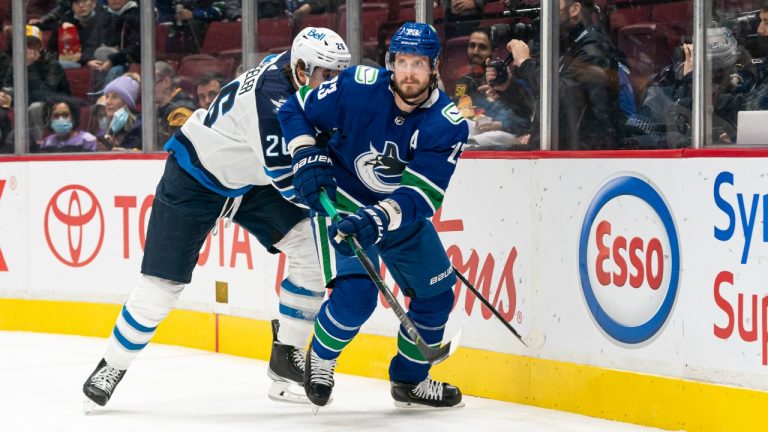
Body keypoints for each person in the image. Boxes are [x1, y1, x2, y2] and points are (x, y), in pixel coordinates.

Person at [81, 26, 351, 410]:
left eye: (340, 72)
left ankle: (286, 355)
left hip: (247, 179)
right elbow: (293, 184)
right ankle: (112, 365)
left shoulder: (296, 76)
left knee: (308, 245)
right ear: (303, 67)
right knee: (161, 286)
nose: (334, 82)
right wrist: (344, 207)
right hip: (194, 177)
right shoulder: (271, 100)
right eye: (327, 73)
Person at [278, 22, 468, 409]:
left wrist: (378, 219)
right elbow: (294, 108)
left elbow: (422, 194)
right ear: (390, 63)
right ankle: (322, 359)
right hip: (342, 203)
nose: (409, 72)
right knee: (357, 294)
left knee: (435, 297)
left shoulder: (447, 123)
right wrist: (305, 154)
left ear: (435, 67)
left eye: (419, 63)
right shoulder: (358, 86)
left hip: (397, 215)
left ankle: (410, 381)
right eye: (402, 62)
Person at [504, 0, 630, 150]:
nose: (544, 15)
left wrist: (525, 63)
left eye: (552, 7)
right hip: (564, 152)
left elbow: (564, 97)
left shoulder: (593, 47)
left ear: (574, 9)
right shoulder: (564, 45)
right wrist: (508, 87)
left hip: (586, 158)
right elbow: (539, 105)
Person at [95, 73, 142, 150]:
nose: (108, 102)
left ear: (126, 103)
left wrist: (128, 153)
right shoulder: (104, 131)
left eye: (115, 97)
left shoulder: (140, 129)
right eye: (107, 97)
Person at [154, 61, 197, 144]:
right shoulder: (156, 107)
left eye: (152, 83)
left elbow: (178, 148)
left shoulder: (181, 111)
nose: (146, 89)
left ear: (166, 82)